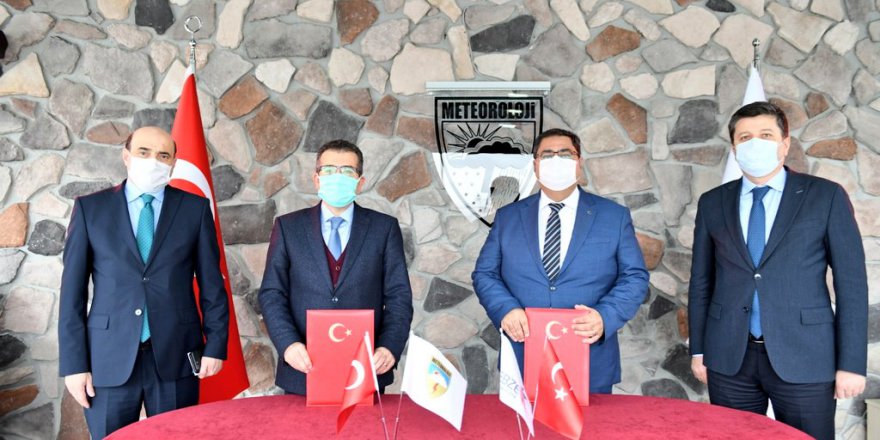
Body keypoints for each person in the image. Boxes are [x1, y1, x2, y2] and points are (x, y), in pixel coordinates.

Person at [689, 101, 867, 439]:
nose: (755, 143)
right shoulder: (712, 202)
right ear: (734, 149)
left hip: (806, 356)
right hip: (729, 358)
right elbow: (701, 281)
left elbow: (852, 285)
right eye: (745, 137)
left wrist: (851, 364)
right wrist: (699, 350)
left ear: (785, 144)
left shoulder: (825, 196)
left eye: (766, 135)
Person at [59, 126, 229, 439]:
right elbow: (72, 294)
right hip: (107, 359)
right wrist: (74, 365)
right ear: (126, 157)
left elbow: (212, 286)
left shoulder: (194, 209)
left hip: (176, 355)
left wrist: (216, 345)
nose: (154, 160)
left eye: (163, 155)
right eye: (144, 152)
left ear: (173, 163)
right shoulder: (90, 209)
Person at [472, 128, 649, 393]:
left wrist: (605, 316)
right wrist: (506, 309)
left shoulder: (614, 216)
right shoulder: (508, 217)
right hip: (523, 354)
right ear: (535, 165)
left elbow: (634, 276)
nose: (556, 160)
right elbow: (485, 273)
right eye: (547, 155)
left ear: (579, 162)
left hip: (590, 357)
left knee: (594, 422)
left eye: (565, 154)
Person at [259, 139, 413, 395]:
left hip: (366, 370)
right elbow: (271, 293)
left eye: (347, 171)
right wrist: (288, 345)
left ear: (360, 182)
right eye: (329, 170)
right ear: (316, 179)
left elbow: (399, 295)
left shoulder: (384, 228)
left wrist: (389, 347)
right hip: (303, 370)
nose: (337, 177)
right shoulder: (288, 227)